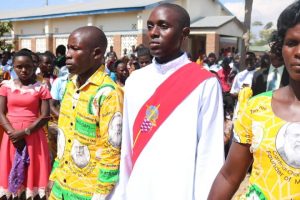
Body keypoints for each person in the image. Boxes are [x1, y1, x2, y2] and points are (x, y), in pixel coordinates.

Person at [114, 3, 224, 200]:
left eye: (163, 26)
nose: (154, 33)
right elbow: (127, 149)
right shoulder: (135, 81)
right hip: (139, 189)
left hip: (180, 189)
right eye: (150, 26)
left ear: (184, 33)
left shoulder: (204, 83)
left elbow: (210, 154)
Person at [208, 1, 300, 199]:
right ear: (280, 47)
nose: (298, 52)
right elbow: (229, 177)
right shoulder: (257, 108)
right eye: (292, 43)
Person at [48, 26, 123, 200]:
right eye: (68, 48)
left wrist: (100, 193)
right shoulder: (70, 85)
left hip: (88, 192)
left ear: (96, 54)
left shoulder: (108, 93)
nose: (67, 54)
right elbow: (64, 138)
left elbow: (112, 150)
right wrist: (54, 176)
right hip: (61, 186)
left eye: (75, 48)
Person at [0, 50, 51, 199]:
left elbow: (45, 116)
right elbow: (1, 112)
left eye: (28, 66)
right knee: (10, 176)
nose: (24, 70)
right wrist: (12, 133)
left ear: (34, 66)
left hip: (33, 136)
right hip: (11, 137)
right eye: (19, 66)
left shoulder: (41, 88)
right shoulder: (5, 86)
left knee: (32, 175)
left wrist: (23, 133)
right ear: (13, 67)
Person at [251, 31, 289, 96]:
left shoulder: (292, 77)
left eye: (279, 51)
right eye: (273, 51)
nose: (275, 55)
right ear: (269, 53)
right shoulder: (258, 75)